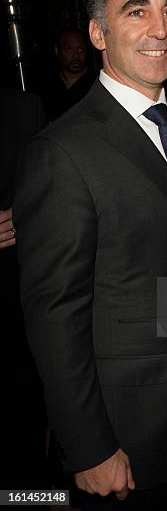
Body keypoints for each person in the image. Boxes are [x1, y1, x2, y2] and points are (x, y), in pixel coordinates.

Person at [14, 0, 167, 510]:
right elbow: (53, 315)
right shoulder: (62, 151)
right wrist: (89, 447)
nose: (159, 28)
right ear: (98, 33)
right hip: (129, 444)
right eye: (136, 10)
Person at [0, 87, 48, 489]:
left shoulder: (22, 107)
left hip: (16, 289)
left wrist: (26, 218)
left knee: (24, 412)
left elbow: (42, 190)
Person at [39, 27, 95, 121]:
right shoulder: (47, 86)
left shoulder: (96, 84)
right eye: (69, 49)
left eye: (80, 49)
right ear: (57, 51)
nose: (76, 55)